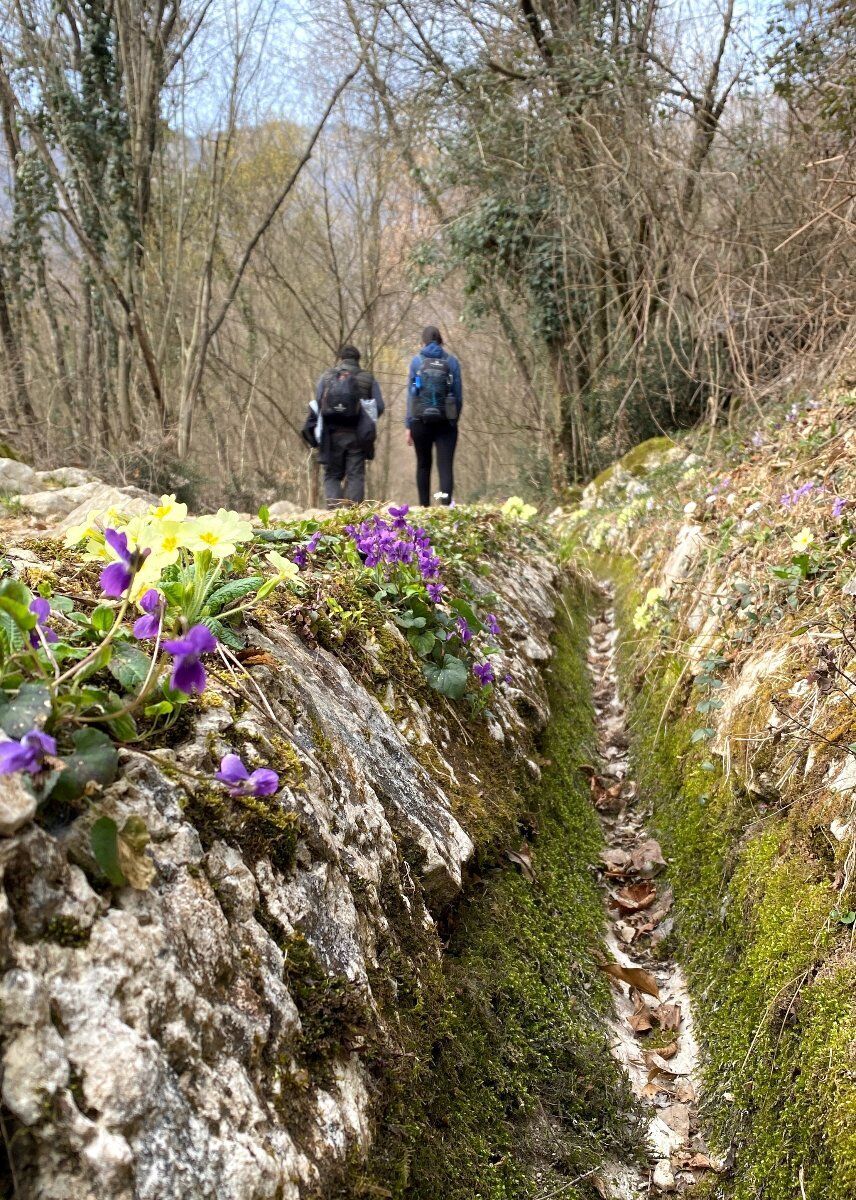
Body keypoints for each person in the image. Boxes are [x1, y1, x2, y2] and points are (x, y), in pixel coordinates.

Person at [302, 346, 384, 508]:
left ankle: (334, 514)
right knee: (355, 475)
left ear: (341, 358)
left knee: (332, 475)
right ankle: (353, 515)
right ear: (358, 359)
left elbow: (318, 403)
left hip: (331, 436)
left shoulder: (327, 377)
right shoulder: (367, 378)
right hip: (358, 435)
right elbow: (379, 406)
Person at [406, 325, 462, 506]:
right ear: (441, 341)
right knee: (445, 467)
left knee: (423, 465)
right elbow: (458, 395)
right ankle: (444, 508)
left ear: (422, 342)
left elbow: (412, 395)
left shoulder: (416, 362)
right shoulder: (452, 362)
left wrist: (409, 425)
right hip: (446, 423)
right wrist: (453, 419)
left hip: (420, 421)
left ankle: (424, 507)